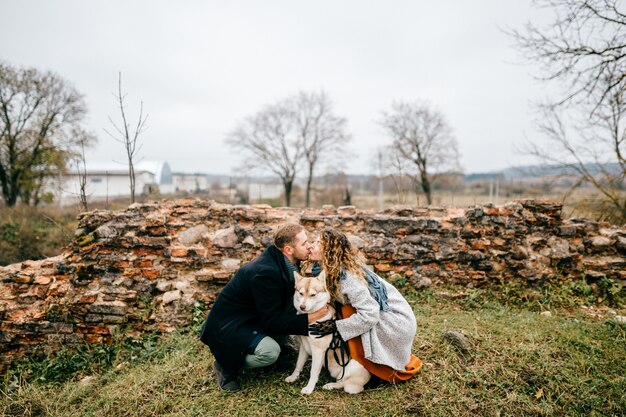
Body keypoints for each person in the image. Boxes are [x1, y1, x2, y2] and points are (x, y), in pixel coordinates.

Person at [200, 223, 328, 392]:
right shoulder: (265, 273)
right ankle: (225, 365)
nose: (310, 246)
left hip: (254, 315)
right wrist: (311, 318)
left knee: (295, 303)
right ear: (289, 249)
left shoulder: (287, 260)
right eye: (304, 243)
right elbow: (272, 322)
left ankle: (275, 348)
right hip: (230, 326)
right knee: (270, 353)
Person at [308, 227, 422, 384]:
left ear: (329, 250)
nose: (310, 245)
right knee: (345, 311)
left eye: (317, 243)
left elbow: (370, 314)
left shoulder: (347, 277)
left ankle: (371, 369)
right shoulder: (326, 271)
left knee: (347, 312)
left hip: (395, 323)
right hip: (384, 316)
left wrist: (335, 326)